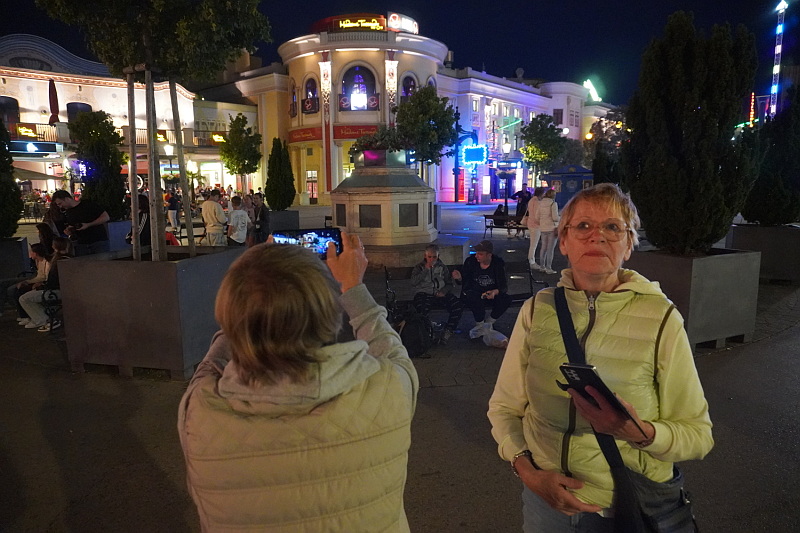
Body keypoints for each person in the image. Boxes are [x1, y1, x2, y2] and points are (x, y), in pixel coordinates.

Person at [487, 183, 713, 532]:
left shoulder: (661, 318)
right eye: (583, 226)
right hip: (544, 505)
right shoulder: (537, 309)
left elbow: (698, 435)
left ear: (628, 245)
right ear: (563, 241)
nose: (597, 236)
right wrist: (527, 472)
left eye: (612, 227)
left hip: (623, 510)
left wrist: (640, 433)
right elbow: (504, 407)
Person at [178, 232, 419, 531]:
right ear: (329, 315)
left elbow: (210, 364)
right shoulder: (389, 388)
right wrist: (353, 285)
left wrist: (251, 286)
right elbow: (389, 346)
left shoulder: (200, 412)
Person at [452, 240, 512, 342]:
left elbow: (503, 286)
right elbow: (464, 282)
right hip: (474, 293)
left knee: (506, 299)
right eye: (476, 253)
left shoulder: (498, 264)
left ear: (489, 255)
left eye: (480, 254)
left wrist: (494, 292)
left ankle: (489, 322)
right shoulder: (471, 262)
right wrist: (459, 278)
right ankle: (480, 324)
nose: (476, 256)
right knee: (473, 298)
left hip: (491, 294)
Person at [410, 244, 464, 344]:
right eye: (429, 257)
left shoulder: (442, 267)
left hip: (440, 293)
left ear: (438, 256)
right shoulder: (419, 267)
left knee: (457, 305)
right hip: (424, 293)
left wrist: (444, 291)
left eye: (434, 257)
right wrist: (425, 270)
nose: (432, 259)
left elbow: (449, 283)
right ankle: (429, 332)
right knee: (421, 308)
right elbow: (413, 282)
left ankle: (448, 330)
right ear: (425, 256)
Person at [18, 237, 71, 332]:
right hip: (63, 289)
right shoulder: (68, 258)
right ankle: (42, 318)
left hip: (56, 291)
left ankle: (43, 320)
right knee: (27, 296)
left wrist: (41, 286)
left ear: (55, 247)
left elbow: (53, 281)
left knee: (24, 298)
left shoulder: (57, 261)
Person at [52, 189, 110, 256]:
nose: (60, 206)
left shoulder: (87, 204)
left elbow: (106, 217)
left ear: (67, 199)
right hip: (81, 244)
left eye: (60, 203)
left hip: (98, 241)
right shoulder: (68, 212)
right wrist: (70, 231)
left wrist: (88, 225)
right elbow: (73, 226)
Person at [1, 243, 50, 322]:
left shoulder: (46, 263)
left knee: (17, 290)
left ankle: (25, 315)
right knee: (9, 285)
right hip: (34, 279)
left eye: (31, 252)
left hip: (37, 280)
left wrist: (28, 282)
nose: (29, 253)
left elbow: (43, 278)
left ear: (36, 253)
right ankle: (23, 313)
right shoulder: (38, 261)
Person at [537, 188, 560, 275]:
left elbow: (536, 216)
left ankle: (542, 266)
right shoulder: (553, 204)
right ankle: (548, 267)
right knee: (550, 249)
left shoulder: (540, 203)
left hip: (543, 228)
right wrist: (560, 218)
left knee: (543, 247)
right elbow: (555, 218)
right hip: (551, 228)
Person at [525, 187, 546, 270]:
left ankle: (531, 260)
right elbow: (537, 215)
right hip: (535, 225)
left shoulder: (531, 200)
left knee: (533, 243)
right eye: (544, 193)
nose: (544, 195)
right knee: (534, 244)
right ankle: (531, 261)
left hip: (531, 223)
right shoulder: (537, 202)